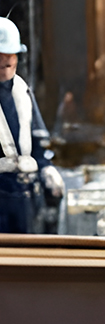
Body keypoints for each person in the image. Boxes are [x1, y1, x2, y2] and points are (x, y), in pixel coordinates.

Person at [0, 16, 61, 234]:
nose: (6, 60)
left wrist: (46, 168)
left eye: (11, 54)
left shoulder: (22, 92)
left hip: (26, 196)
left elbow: (38, 140)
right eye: (0, 55)